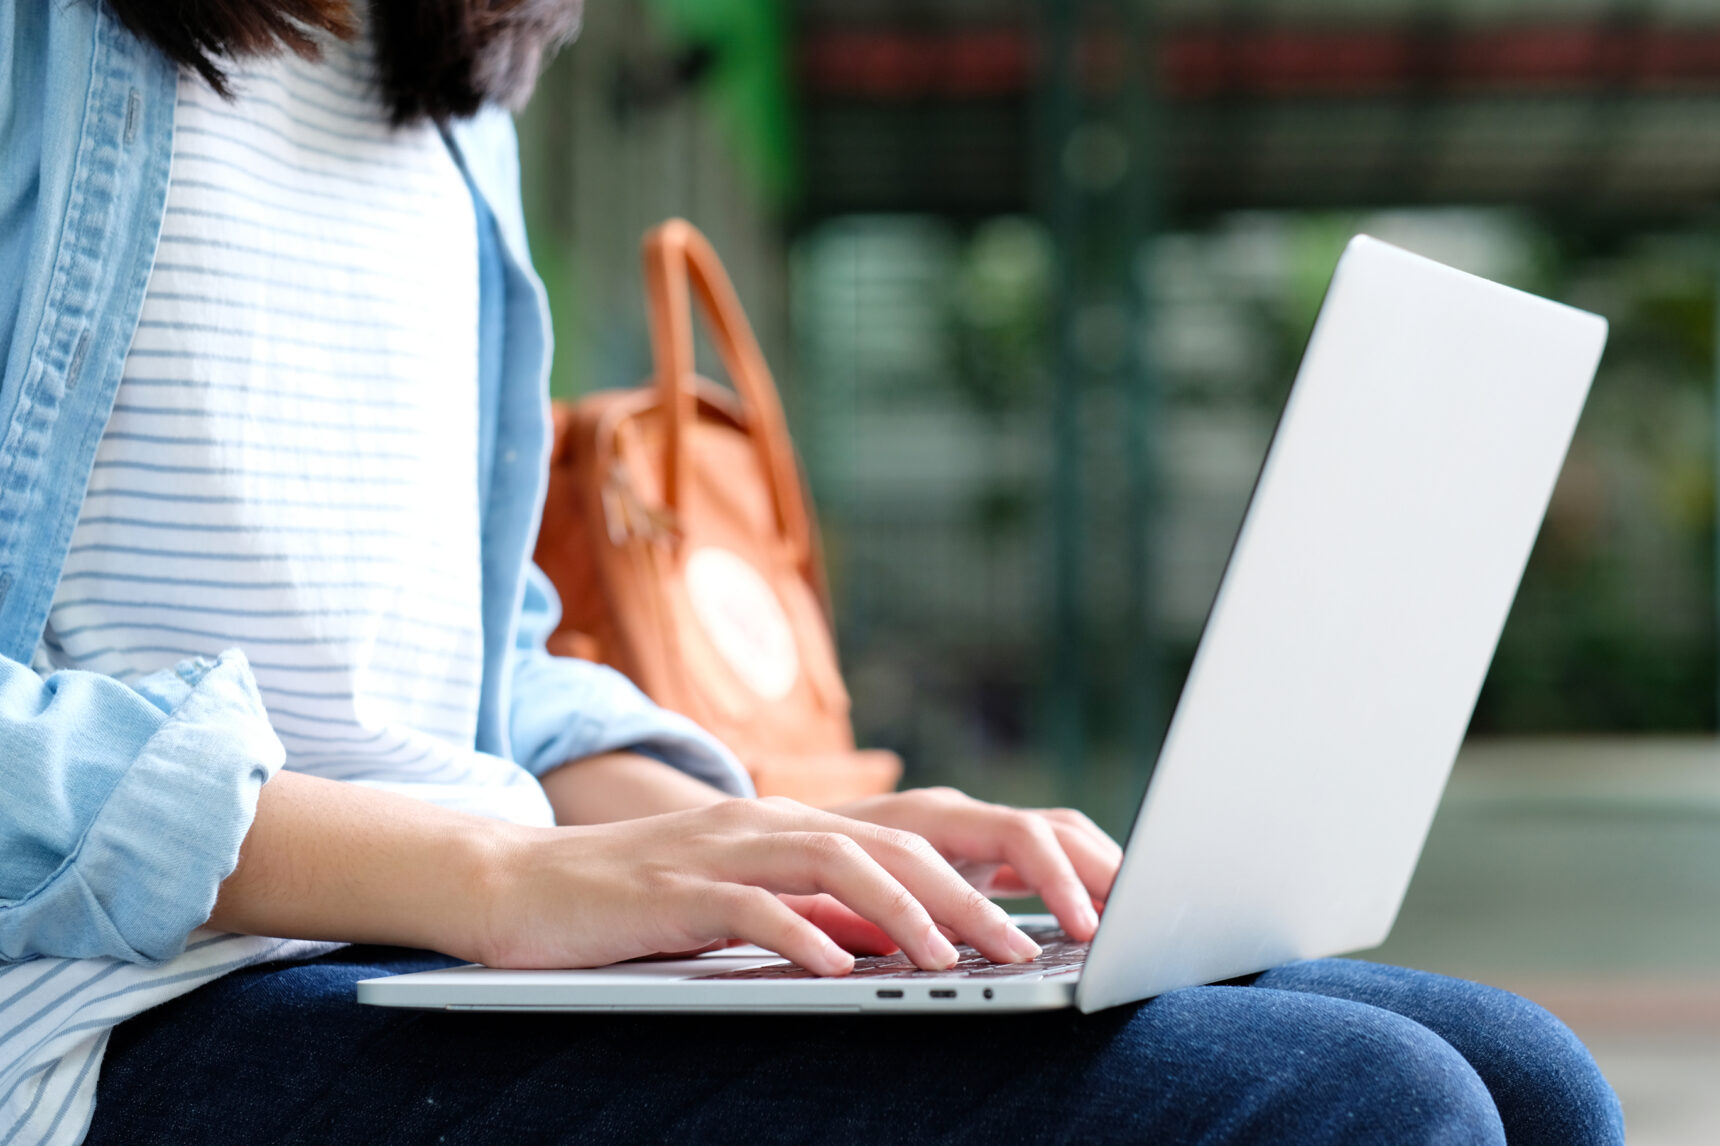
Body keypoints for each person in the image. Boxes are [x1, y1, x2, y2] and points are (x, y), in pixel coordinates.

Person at [0, 2, 1623, 1143]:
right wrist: (488, 882)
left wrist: (774, 851)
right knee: (1361, 1108)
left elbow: (467, 660)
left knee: (1522, 1074)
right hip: (123, 1010)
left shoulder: (450, 93)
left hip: (459, 948)